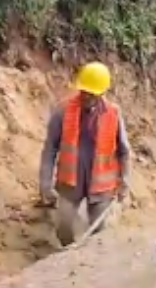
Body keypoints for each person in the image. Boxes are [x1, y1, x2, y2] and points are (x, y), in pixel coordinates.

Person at [39, 62, 132, 247]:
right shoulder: (63, 111)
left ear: (102, 93)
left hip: (101, 186)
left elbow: (124, 151)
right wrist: (45, 184)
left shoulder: (113, 113)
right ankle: (70, 256)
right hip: (70, 184)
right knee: (63, 228)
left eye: (91, 93)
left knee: (99, 233)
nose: (86, 96)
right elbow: (50, 149)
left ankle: (91, 267)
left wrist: (125, 182)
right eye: (84, 91)